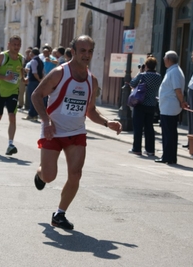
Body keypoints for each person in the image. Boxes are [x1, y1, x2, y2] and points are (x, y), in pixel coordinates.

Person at [31, 35, 122, 230]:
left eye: (90, 51)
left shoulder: (92, 80)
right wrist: (45, 121)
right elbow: (36, 95)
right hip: (53, 130)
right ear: (73, 52)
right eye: (82, 51)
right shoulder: (59, 73)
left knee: (76, 174)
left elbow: (90, 111)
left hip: (76, 132)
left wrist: (107, 123)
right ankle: (40, 175)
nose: (86, 55)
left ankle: (59, 214)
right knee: (49, 176)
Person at [0, 35, 25, 155]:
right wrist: (5, 77)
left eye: (18, 45)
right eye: (14, 44)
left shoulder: (21, 58)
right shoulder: (3, 56)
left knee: (12, 117)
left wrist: (24, 78)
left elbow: (21, 73)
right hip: (0, 91)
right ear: (9, 44)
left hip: (13, 91)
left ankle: (10, 144)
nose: (16, 47)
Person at [155, 51, 187, 164]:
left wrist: (182, 101)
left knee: (168, 133)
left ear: (168, 59)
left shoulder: (174, 72)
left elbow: (177, 90)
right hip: (167, 107)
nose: (163, 60)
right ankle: (170, 156)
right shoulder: (173, 70)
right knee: (170, 133)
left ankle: (168, 157)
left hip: (169, 107)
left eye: (164, 58)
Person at [128, 55, 162, 156]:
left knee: (138, 127)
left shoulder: (143, 75)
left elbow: (132, 83)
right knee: (149, 127)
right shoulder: (158, 76)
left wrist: (140, 72)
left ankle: (137, 148)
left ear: (146, 65)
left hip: (140, 104)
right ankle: (150, 150)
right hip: (151, 105)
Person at [22, 47, 44, 121]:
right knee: (36, 98)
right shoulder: (40, 61)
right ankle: (35, 115)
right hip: (37, 82)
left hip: (33, 81)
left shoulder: (33, 61)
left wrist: (39, 79)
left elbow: (34, 72)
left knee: (32, 98)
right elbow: (42, 72)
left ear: (33, 53)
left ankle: (31, 114)